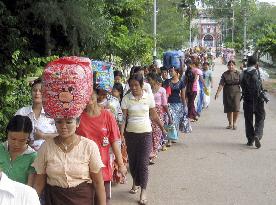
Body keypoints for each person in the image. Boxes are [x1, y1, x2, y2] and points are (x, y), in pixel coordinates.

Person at [32, 117, 106, 205]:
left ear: (77, 123)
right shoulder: (46, 147)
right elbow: (39, 182)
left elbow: (98, 182)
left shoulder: (89, 146)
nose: (63, 126)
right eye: (59, 122)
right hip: (54, 199)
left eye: (69, 122)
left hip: (82, 199)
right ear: (55, 124)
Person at [121, 73, 166, 205]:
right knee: (133, 164)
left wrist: (163, 128)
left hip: (146, 133)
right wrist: (121, 134)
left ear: (141, 85)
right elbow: (123, 119)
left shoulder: (148, 98)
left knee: (143, 164)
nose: (134, 88)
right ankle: (135, 182)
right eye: (131, 85)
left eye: (136, 85)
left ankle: (143, 191)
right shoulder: (126, 99)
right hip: (131, 134)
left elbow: (154, 115)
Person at [76, 92, 127, 204]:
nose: (89, 98)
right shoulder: (77, 118)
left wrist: (121, 165)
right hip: (83, 169)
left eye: (91, 95)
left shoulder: (107, 115)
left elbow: (114, 141)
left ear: (96, 96)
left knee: (103, 201)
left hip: (103, 167)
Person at [15, 78, 57, 150]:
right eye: (35, 90)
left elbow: (62, 135)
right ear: (31, 92)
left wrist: (42, 136)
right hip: (25, 154)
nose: (37, 93)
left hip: (49, 154)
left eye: (41, 91)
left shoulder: (53, 113)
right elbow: (13, 132)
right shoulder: (22, 112)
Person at [0, 115, 36, 185]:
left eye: (22, 140)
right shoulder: (1, 148)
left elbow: (29, 187)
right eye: (13, 139)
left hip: (19, 195)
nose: (16, 144)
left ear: (28, 137)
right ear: (7, 133)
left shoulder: (32, 156)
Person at [240, 56, 266, 148]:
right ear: (256, 63)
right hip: (259, 100)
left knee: (248, 120)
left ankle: (250, 140)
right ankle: (257, 135)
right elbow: (265, 79)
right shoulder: (260, 71)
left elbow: (240, 83)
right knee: (260, 118)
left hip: (247, 100)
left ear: (247, 63)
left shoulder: (243, 72)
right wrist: (258, 69)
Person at [147, 73, 172, 162]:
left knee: (157, 134)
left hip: (158, 113)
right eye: (148, 80)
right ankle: (149, 154)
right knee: (149, 134)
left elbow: (164, 104)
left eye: (150, 80)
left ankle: (153, 154)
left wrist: (169, 115)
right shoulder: (146, 90)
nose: (149, 82)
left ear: (155, 81)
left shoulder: (162, 90)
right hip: (148, 113)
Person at [215, 60, 241, 130]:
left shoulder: (238, 73)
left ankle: (234, 123)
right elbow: (221, 84)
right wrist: (217, 93)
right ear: (227, 66)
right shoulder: (225, 74)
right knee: (229, 108)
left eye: (232, 65)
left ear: (234, 66)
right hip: (227, 92)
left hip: (237, 92)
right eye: (229, 65)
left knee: (236, 108)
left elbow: (243, 83)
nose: (231, 66)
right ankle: (230, 124)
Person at [167, 67, 188, 144]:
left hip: (178, 104)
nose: (170, 72)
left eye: (172, 71)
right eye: (170, 71)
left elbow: (183, 96)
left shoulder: (181, 83)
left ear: (176, 72)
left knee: (176, 121)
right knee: (170, 120)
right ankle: (169, 139)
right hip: (169, 103)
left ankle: (174, 136)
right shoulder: (167, 82)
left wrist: (185, 106)